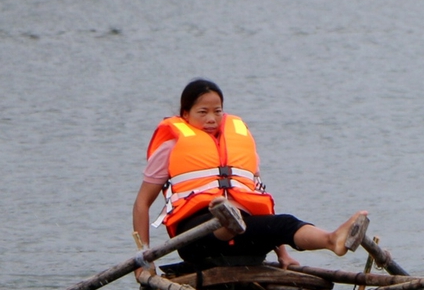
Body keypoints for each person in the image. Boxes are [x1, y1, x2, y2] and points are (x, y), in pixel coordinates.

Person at [132, 79, 369, 272]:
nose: (211, 119)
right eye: (202, 112)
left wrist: (283, 254)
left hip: (244, 232)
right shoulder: (171, 147)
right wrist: (145, 258)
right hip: (196, 238)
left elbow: (257, 194)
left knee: (283, 223)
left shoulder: (240, 145)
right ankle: (226, 220)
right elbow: (142, 204)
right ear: (185, 114)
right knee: (220, 221)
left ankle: (331, 240)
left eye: (217, 111)